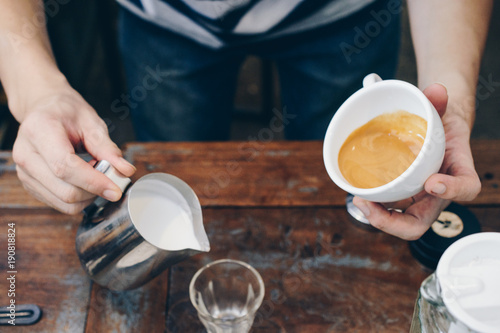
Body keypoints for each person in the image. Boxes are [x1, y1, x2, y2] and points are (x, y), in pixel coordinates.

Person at [0, 0, 490, 241]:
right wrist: (36, 88)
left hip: (343, 18)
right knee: (173, 175)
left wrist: (454, 105)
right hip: (165, 20)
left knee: (350, 202)